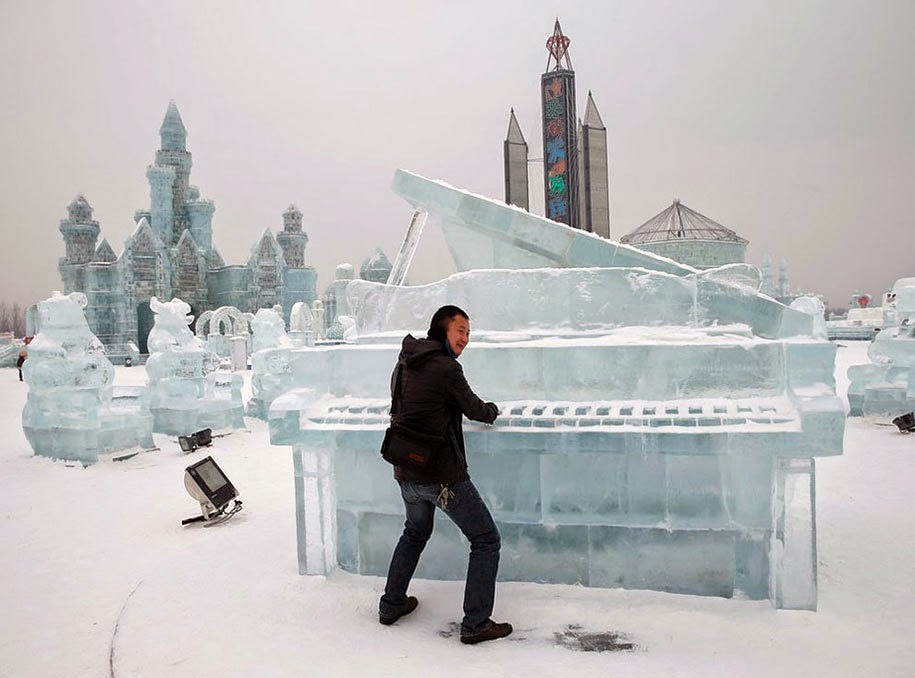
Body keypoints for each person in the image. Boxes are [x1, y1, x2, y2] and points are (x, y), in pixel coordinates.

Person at [378, 305, 513, 645]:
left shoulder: (405, 362)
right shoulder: (446, 368)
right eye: (460, 330)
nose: (465, 338)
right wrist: (494, 410)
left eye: (468, 332)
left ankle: (392, 604)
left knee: (414, 532)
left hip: (405, 471)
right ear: (442, 330)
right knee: (486, 540)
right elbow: (476, 410)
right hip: (439, 477)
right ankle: (476, 623)